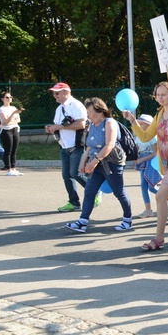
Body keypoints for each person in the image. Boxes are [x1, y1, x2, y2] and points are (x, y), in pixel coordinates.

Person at [124, 81, 168, 251]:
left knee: (160, 197)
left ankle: (159, 238)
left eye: (164, 94)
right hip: (166, 164)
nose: (160, 98)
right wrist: (133, 120)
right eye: (158, 95)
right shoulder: (161, 113)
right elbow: (146, 136)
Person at [64, 98, 133, 233]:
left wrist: (94, 161)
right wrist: (82, 163)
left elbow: (110, 144)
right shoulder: (92, 125)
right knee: (89, 192)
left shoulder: (109, 123)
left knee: (119, 192)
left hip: (112, 163)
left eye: (90, 111)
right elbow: (89, 147)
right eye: (87, 112)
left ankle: (127, 220)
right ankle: (82, 222)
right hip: (97, 163)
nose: (88, 115)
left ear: (100, 111)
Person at [44, 83, 89, 212]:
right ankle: (74, 202)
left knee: (75, 173)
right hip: (64, 146)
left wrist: (59, 127)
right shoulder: (59, 109)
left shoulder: (76, 105)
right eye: (53, 93)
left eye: (57, 93)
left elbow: (81, 124)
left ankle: (95, 190)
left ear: (66, 92)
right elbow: (58, 125)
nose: (54, 96)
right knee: (66, 176)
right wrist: (51, 127)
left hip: (77, 145)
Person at [133, 114, 163, 218]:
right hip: (142, 163)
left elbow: (155, 153)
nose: (140, 126)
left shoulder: (153, 137)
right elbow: (138, 150)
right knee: (143, 186)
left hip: (151, 163)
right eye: (139, 124)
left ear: (149, 126)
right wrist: (136, 158)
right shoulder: (138, 137)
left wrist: (142, 159)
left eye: (142, 124)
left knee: (151, 187)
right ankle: (148, 210)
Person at [0, 92, 23, 176]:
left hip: (15, 129)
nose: (9, 99)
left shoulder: (13, 107)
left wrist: (10, 121)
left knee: (14, 150)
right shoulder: (1, 109)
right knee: (8, 150)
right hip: (6, 131)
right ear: (2, 99)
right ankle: (8, 169)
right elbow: (5, 122)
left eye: (10, 97)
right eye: (7, 97)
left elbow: (18, 120)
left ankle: (13, 168)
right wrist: (13, 114)